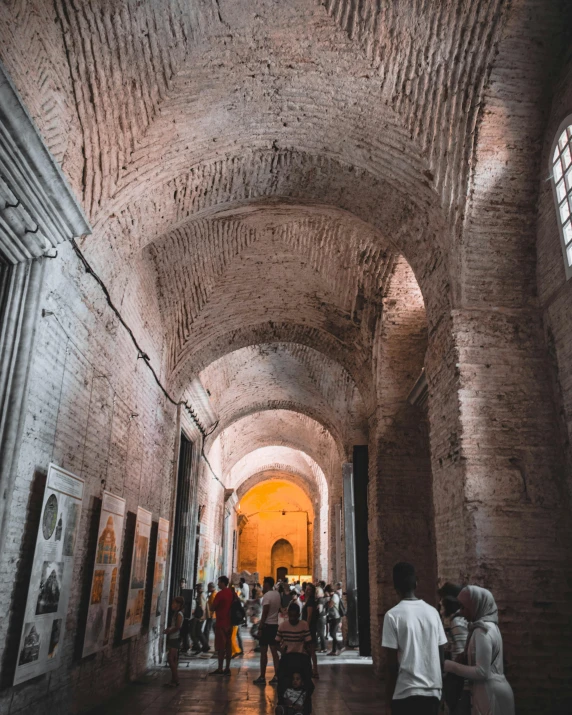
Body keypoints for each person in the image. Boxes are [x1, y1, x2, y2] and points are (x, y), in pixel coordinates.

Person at [382, 562, 447, 715]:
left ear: (395, 587)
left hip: (406, 691)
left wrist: (387, 701)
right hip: (432, 692)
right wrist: (441, 691)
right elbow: (441, 657)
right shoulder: (433, 613)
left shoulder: (392, 615)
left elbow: (391, 665)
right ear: (416, 583)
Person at [444, 586, 515, 715]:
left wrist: (451, 666)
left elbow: (483, 672)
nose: (461, 612)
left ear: (476, 606)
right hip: (491, 691)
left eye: (464, 607)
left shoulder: (482, 631)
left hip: (490, 694)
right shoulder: (490, 626)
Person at [253, 576, 282, 685]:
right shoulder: (277, 594)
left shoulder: (267, 596)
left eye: (264, 583)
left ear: (267, 584)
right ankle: (277, 675)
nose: (263, 585)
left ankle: (262, 676)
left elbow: (265, 612)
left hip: (267, 626)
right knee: (274, 652)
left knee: (263, 653)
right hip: (275, 625)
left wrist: (260, 627)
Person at [209, 575, 234, 676]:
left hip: (221, 623)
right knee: (228, 646)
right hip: (230, 623)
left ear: (223, 583)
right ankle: (227, 668)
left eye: (219, 582)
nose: (218, 584)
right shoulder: (232, 593)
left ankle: (220, 668)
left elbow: (212, 607)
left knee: (220, 647)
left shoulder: (220, 594)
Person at [163, 596, 184, 687]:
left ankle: (176, 679)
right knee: (173, 659)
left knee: (170, 659)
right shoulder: (176, 613)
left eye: (173, 603)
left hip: (175, 638)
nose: (172, 605)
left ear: (178, 604)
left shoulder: (179, 614)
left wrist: (169, 631)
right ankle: (174, 679)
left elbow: (178, 626)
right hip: (173, 637)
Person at [301, 583, 319, 678]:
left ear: (312, 592)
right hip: (308, 628)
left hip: (310, 629)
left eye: (309, 590)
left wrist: (306, 629)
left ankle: (315, 670)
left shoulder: (311, 601)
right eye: (306, 589)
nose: (307, 591)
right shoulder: (307, 600)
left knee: (311, 650)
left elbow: (309, 616)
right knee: (307, 650)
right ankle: (310, 669)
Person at [190, 583, 209, 654]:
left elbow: (202, 607)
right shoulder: (200, 595)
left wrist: (200, 617)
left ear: (201, 588)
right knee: (198, 632)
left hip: (200, 617)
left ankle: (204, 646)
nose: (197, 590)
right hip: (200, 617)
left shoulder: (201, 596)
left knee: (197, 632)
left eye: (198, 588)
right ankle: (204, 645)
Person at [324, 585, 341, 655]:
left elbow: (330, 605)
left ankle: (340, 646)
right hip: (333, 617)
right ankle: (334, 650)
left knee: (332, 633)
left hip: (336, 617)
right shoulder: (332, 596)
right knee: (332, 633)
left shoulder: (334, 596)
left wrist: (327, 600)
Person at [315, 587, 328, 653]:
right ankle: (321, 647)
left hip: (320, 618)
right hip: (322, 617)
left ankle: (324, 648)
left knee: (321, 633)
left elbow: (320, 610)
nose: (315, 594)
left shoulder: (320, 600)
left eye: (316, 592)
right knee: (320, 633)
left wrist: (316, 608)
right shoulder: (322, 599)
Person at [204, 582, 216, 647]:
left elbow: (214, 606)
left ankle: (205, 645)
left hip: (211, 615)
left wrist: (211, 614)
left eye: (208, 587)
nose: (208, 588)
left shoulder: (213, 595)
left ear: (211, 587)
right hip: (213, 615)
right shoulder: (213, 594)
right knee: (215, 631)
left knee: (207, 630)